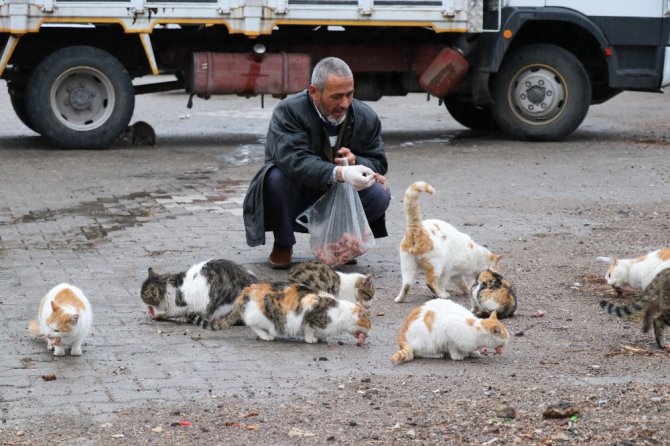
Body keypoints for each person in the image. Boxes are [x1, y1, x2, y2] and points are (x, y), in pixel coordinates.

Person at [242, 56, 392, 269]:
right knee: (275, 177)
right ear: (314, 92)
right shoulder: (289, 111)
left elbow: (378, 161)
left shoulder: (366, 116)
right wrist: (340, 173)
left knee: (380, 193)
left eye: (349, 94)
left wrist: (356, 161)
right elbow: (294, 160)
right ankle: (283, 243)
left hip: (339, 195)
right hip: (298, 192)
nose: (345, 104)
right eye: (337, 96)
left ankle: (341, 243)